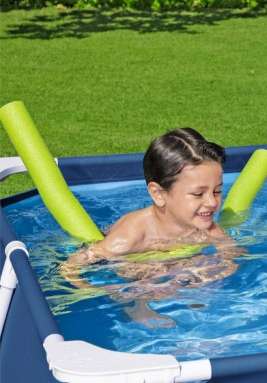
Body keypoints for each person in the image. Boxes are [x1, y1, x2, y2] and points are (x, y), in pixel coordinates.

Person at [61, 128, 239, 326]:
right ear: (158, 194)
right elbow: (69, 267)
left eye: (217, 191)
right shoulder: (129, 238)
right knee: (149, 273)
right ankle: (137, 308)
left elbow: (232, 254)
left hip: (175, 262)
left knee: (203, 264)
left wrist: (214, 274)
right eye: (198, 194)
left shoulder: (208, 228)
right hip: (133, 264)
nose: (212, 202)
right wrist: (105, 292)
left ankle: (188, 296)